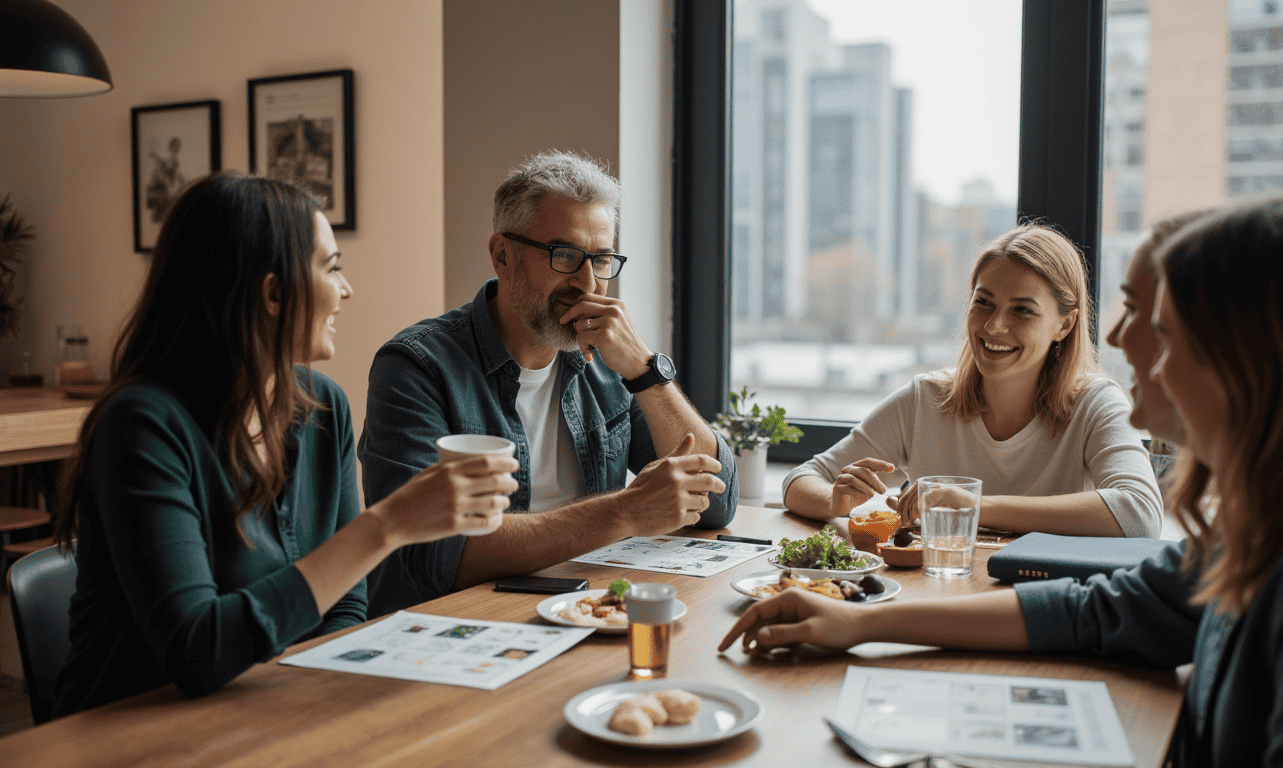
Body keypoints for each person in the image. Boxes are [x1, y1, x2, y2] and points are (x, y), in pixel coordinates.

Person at [720, 199, 1283, 767]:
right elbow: (1090, 610)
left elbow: (1130, 521)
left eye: (1162, 327)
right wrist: (858, 623)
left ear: (1245, 363)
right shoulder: (1248, 536)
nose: (1125, 340)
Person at [50, 174, 518, 717]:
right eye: (332, 267)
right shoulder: (141, 426)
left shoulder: (324, 408)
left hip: (263, 712)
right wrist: (387, 525)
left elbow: (346, 604)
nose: (346, 289)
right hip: (129, 734)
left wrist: (316, 706)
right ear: (272, 293)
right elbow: (195, 652)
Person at [360, 150, 736, 615]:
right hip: (453, 631)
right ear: (503, 255)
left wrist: (644, 370)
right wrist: (625, 512)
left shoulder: (611, 363)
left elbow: (718, 502)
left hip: (582, 615)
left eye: (600, 260)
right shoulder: (416, 367)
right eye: (565, 256)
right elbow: (432, 556)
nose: (587, 283)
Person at [783, 223, 1163, 537]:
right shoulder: (924, 400)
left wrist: (972, 506)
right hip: (931, 598)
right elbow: (801, 480)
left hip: (1035, 609)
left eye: (1022, 310)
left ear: (1064, 324)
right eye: (984, 302)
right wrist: (835, 502)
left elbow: (1139, 514)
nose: (995, 325)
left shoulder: (1096, 403)